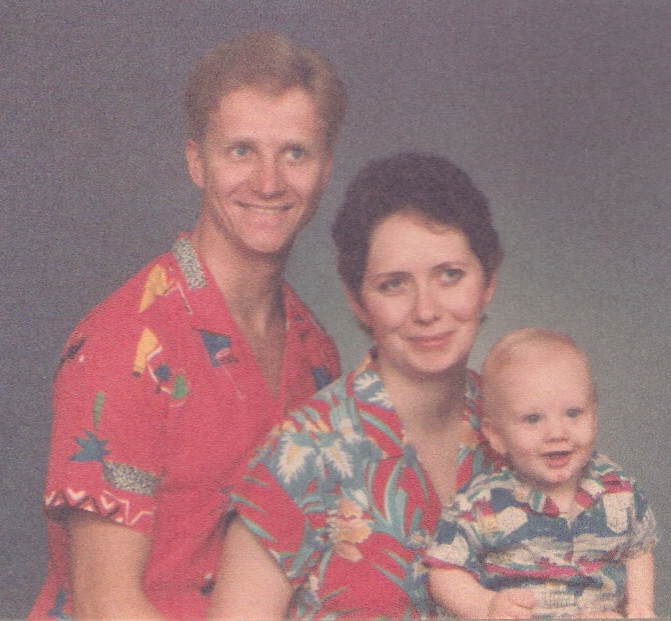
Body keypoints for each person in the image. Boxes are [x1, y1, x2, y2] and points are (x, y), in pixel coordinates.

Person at [29, 30, 347, 621]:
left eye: (295, 153)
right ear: (197, 162)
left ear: (325, 170)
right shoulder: (126, 343)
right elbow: (105, 604)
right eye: (241, 151)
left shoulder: (315, 352)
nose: (270, 182)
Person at [206, 152, 505, 620]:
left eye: (450, 275)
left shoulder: (520, 422)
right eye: (394, 285)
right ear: (358, 299)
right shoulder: (300, 455)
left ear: (487, 280)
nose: (426, 310)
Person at [426, 328, 657, 619]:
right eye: (533, 419)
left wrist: (640, 607)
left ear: (594, 415)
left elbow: (638, 551)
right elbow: (444, 571)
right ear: (495, 434)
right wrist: (484, 605)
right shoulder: (480, 502)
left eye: (573, 413)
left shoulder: (617, 488)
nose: (557, 433)